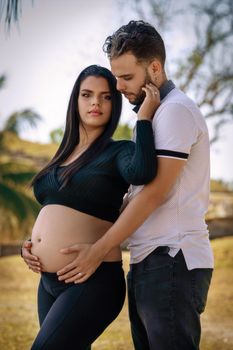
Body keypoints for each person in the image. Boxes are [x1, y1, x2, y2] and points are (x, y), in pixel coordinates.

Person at [27, 21, 213, 350]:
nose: (119, 87)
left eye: (125, 78)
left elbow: (153, 191)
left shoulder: (173, 112)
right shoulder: (158, 114)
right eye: (117, 78)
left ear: (154, 68)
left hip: (170, 255)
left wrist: (96, 251)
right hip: (149, 258)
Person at [21, 64, 160, 349]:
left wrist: (144, 119)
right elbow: (57, 208)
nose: (95, 102)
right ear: (76, 101)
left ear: (114, 103)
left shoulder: (118, 151)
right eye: (87, 94)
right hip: (48, 282)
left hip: (92, 280)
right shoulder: (60, 158)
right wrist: (31, 244)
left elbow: (143, 172)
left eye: (106, 96)